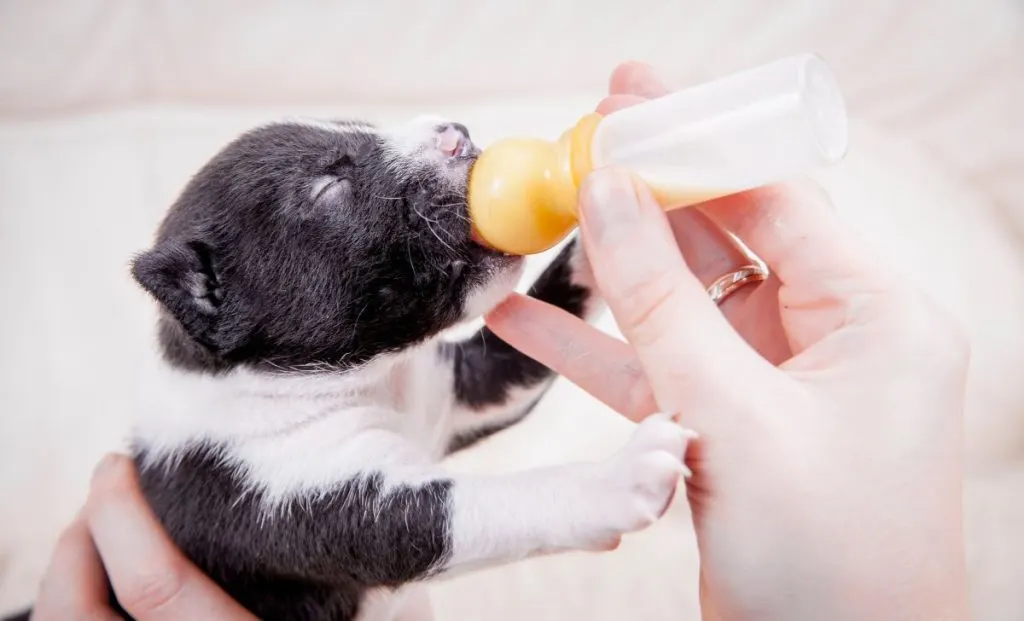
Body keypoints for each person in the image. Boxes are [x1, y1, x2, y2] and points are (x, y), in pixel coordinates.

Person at [22, 62, 972, 621]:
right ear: (209, 298)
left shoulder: (348, 383)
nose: (444, 137)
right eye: (332, 185)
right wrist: (591, 496)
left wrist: (590, 264)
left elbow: (485, 379)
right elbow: (404, 530)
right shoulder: (237, 465)